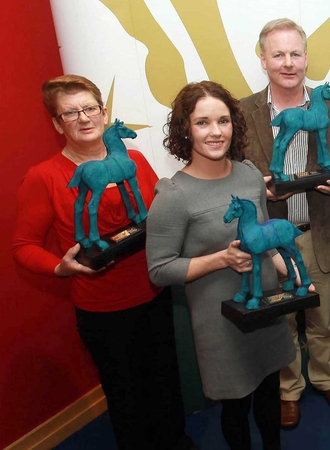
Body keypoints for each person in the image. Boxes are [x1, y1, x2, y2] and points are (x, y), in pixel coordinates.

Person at [11, 75, 192, 450]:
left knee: (165, 383)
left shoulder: (136, 159)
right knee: (126, 397)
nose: (83, 118)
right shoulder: (44, 177)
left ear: (104, 112)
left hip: (153, 292)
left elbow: (160, 214)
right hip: (102, 308)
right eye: (70, 112)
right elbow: (23, 246)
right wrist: (60, 267)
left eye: (89, 108)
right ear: (57, 123)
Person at [147, 81, 296, 450]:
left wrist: (291, 274)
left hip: (265, 309)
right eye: (202, 123)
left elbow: (265, 244)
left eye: (223, 121)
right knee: (235, 409)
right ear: (185, 130)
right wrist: (221, 259)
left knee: (269, 396)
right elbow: (159, 270)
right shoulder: (173, 195)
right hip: (220, 325)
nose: (215, 132)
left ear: (235, 125)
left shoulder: (249, 175)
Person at [239, 18, 330, 428]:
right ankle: (288, 390)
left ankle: (326, 380)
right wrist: (262, 189)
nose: (288, 63)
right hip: (271, 239)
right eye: (278, 55)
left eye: (295, 54)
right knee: (281, 321)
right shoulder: (241, 111)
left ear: (307, 58)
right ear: (263, 60)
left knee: (322, 320)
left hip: (318, 234)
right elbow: (234, 173)